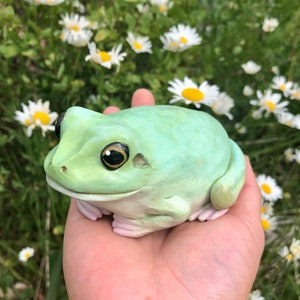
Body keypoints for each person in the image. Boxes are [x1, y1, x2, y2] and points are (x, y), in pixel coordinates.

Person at [63, 89, 265, 300]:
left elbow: (179, 210)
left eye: (113, 157)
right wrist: (86, 196)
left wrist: (144, 224)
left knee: (222, 196)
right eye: (62, 129)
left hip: (213, 148)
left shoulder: (149, 179)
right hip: (174, 132)